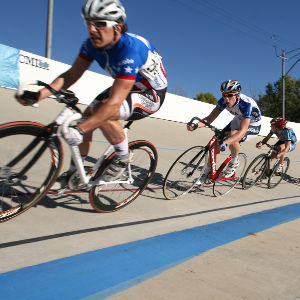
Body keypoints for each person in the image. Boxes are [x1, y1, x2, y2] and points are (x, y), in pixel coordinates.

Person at [16, 0, 168, 188]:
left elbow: (113, 104)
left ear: (117, 28)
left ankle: (123, 158)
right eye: (89, 23)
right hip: (127, 84)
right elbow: (71, 75)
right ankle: (75, 174)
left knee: (102, 115)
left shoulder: (130, 51)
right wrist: (40, 94)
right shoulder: (91, 44)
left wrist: (80, 130)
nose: (92, 30)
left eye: (100, 24)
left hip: (151, 93)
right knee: (88, 116)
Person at [187, 80, 261, 182]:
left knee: (232, 136)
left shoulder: (246, 105)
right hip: (238, 120)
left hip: (252, 125)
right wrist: (196, 125)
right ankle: (207, 173)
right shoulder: (223, 101)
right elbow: (210, 118)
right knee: (216, 142)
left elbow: (242, 131)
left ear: (237, 95)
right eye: (224, 95)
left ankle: (235, 161)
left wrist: (226, 143)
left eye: (230, 95)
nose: (226, 98)